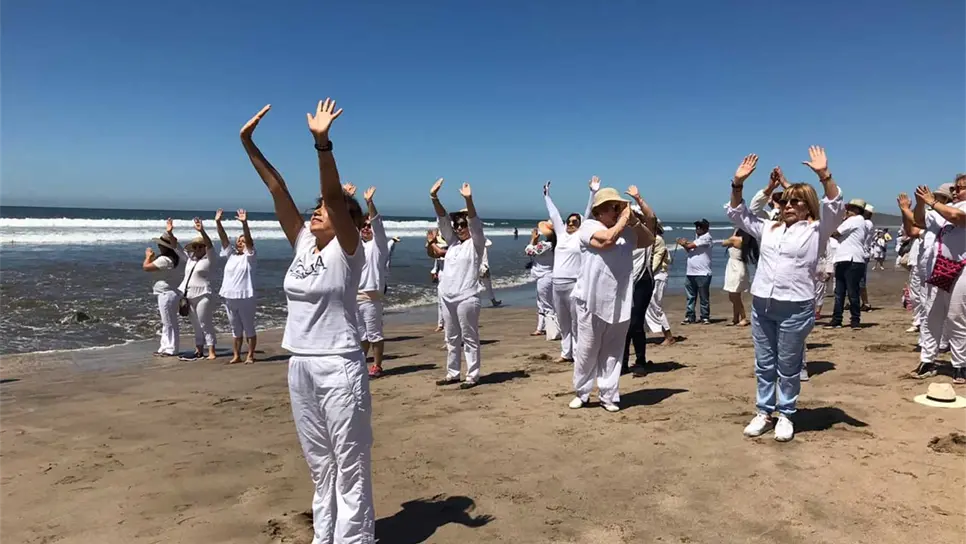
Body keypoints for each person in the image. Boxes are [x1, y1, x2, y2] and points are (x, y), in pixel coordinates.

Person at [241, 100, 374, 541]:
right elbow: (279, 191)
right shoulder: (303, 244)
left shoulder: (348, 251)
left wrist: (322, 143)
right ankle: (325, 536)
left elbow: (335, 199)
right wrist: (248, 144)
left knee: (349, 462)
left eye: (326, 210)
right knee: (320, 464)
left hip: (339, 365)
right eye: (315, 208)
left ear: (349, 224)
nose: (318, 211)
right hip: (300, 363)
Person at [726, 147, 843, 442]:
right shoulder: (768, 228)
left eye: (796, 201)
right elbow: (739, 213)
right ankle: (764, 411)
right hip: (763, 305)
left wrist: (824, 175)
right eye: (785, 200)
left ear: (808, 206)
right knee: (764, 363)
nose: (788, 205)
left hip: (796, 306)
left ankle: (786, 414)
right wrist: (737, 183)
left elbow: (835, 206)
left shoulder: (817, 230)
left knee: (788, 365)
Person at [569, 186, 654, 413]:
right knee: (587, 350)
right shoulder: (589, 226)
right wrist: (623, 221)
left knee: (613, 351)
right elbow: (606, 241)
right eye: (612, 208)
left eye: (618, 207)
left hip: (618, 300)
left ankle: (608, 395)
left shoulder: (624, 230)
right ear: (598, 212)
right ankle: (582, 392)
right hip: (590, 299)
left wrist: (633, 221)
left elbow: (648, 239)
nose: (617, 211)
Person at [430, 178, 487, 389]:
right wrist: (434, 198)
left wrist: (469, 200)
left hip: (467, 297)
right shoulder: (452, 244)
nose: (460, 228)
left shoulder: (476, 243)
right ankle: (452, 373)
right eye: (458, 225)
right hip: (447, 296)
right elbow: (443, 220)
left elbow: (474, 222)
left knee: (469, 337)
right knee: (451, 337)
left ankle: (473, 375)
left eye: (463, 225)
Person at [908, 176, 966, 384]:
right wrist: (920, 203)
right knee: (931, 314)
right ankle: (927, 360)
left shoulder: (955, 208)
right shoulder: (943, 208)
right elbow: (919, 222)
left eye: (963, 188)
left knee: (956, 317)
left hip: (961, 268)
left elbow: (958, 217)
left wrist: (932, 202)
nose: (958, 191)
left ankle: (960, 364)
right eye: (956, 188)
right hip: (937, 267)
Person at [543, 177, 598, 362]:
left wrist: (593, 192)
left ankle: (578, 353)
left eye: (575, 221)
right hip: (556, 284)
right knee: (563, 321)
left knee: (576, 322)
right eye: (569, 221)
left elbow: (588, 213)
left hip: (574, 285)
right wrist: (547, 196)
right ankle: (566, 353)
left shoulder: (581, 236)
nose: (570, 223)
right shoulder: (561, 234)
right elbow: (554, 215)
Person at [344, 184, 391, 379]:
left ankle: (377, 365)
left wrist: (369, 203)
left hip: (371, 298)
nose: (366, 228)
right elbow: (345, 225)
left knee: (374, 334)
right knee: (361, 336)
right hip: (355, 297)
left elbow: (378, 225)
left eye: (368, 226)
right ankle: (361, 363)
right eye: (363, 226)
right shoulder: (356, 245)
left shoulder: (378, 246)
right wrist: (346, 198)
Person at [214, 208, 258, 364]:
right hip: (229, 296)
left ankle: (250, 355)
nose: (240, 242)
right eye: (239, 241)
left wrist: (244, 224)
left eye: (243, 241)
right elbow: (223, 238)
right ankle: (236, 355)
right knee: (235, 328)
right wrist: (218, 222)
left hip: (245, 296)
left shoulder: (250, 256)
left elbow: (250, 241)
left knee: (248, 327)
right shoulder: (231, 255)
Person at [622, 186, 658, 372]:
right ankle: (622, 363)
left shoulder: (646, 231)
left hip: (643, 280)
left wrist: (638, 198)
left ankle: (641, 361)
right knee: (623, 323)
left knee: (635, 322)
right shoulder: (621, 234)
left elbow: (651, 217)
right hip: (624, 282)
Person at [825, 198, 872, 328]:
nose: (847, 210)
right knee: (848, 292)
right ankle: (851, 320)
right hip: (850, 258)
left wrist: (829, 226)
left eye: (850, 208)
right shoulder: (860, 221)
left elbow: (836, 233)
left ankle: (843, 320)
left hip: (850, 258)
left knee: (845, 292)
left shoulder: (854, 220)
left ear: (857, 210)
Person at [142, 218, 185, 357]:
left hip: (166, 293)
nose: (159, 247)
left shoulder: (165, 259)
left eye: (160, 245)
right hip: (171, 292)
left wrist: (148, 256)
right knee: (168, 321)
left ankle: (171, 348)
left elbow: (146, 267)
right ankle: (165, 347)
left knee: (168, 322)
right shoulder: (176, 258)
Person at [178, 218, 218, 360]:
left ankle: (212, 350)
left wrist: (202, 230)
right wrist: (170, 233)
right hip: (189, 295)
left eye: (200, 246)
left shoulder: (210, 259)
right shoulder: (190, 259)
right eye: (195, 247)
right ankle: (199, 350)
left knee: (205, 322)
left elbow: (210, 245)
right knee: (195, 325)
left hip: (203, 294)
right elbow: (176, 248)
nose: (198, 249)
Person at [677, 218, 713, 324]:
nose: (697, 228)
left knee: (703, 297)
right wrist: (684, 244)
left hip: (703, 273)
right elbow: (689, 249)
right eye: (697, 226)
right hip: (691, 272)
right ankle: (690, 316)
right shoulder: (697, 239)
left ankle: (705, 316)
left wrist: (683, 243)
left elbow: (690, 245)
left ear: (706, 228)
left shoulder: (707, 238)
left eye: (700, 226)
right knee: (690, 296)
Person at [645, 220, 675, 346]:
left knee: (654, 305)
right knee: (646, 305)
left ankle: (668, 335)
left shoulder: (656, 240)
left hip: (657, 276)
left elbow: (656, 260)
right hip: (654, 275)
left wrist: (647, 273)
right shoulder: (650, 239)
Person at [722, 229, 758, 326]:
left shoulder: (735, 239)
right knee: (735, 295)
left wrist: (734, 233)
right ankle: (735, 318)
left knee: (734, 296)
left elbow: (723, 243)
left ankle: (743, 317)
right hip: (738, 266)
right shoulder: (745, 241)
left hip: (735, 268)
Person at [525, 223, 556, 336]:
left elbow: (529, 251)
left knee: (545, 304)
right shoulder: (556, 245)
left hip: (544, 276)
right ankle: (541, 327)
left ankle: (550, 329)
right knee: (545, 302)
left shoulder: (546, 245)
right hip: (551, 275)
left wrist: (533, 239)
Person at [427, 229, 447, 332]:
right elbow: (435, 258)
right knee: (440, 301)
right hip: (441, 275)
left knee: (447, 301)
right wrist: (434, 271)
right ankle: (440, 323)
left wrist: (431, 242)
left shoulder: (452, 248)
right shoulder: (439, 250)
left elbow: (439, 253)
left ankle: (445, 324)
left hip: (450, 276)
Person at [479, 239, 501, 307]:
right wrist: (486, 268)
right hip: (482, 268)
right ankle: (493, 301)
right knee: (488, 286)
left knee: (474, 286)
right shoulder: (483, 249)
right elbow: (485, 260)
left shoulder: (473, 248)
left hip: (475, 268)